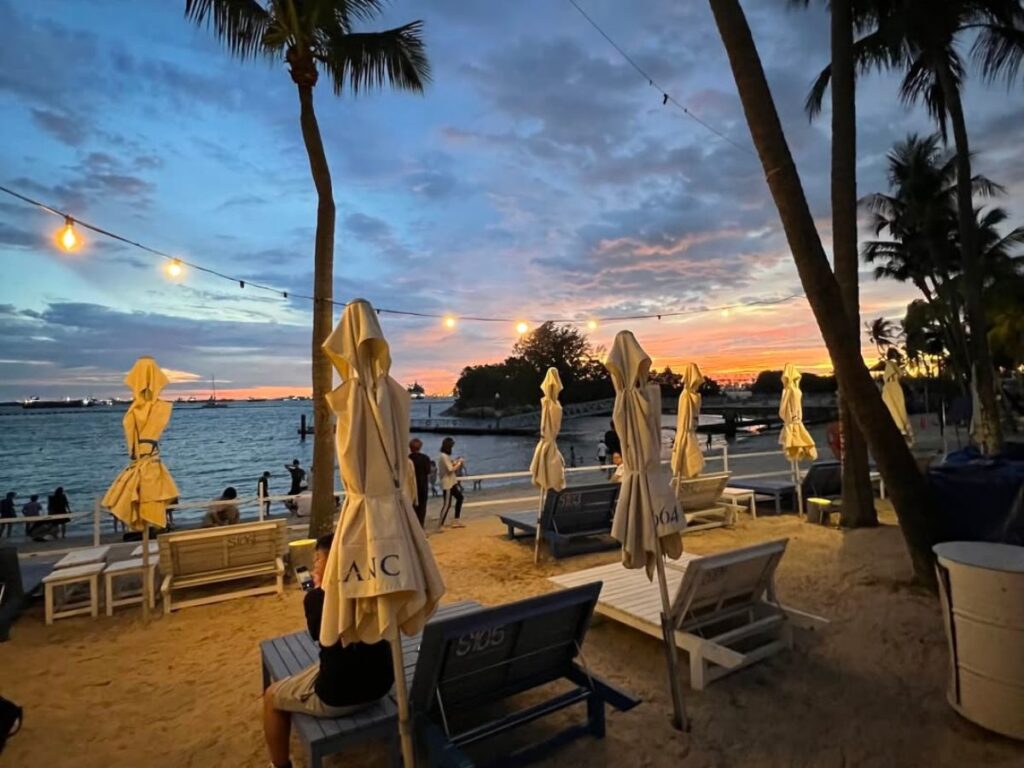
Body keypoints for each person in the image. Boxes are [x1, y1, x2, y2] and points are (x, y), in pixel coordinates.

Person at [263, 533, 393, 768]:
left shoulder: (318, 598)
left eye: (318, 561)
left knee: (271, 697)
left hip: (338, 697)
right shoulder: (376, 586)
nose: (315, 566)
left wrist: (317, 592)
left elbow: (318, 635)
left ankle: (279, 765)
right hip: (381, 684)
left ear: (331, 564)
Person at [437, 437, 465, 528]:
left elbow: (449, 465)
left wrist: (455, 462)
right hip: (447, 483)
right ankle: (440, 524)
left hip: (451, 482)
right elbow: (450, 469)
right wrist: (459, 463)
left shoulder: (445, 456)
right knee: (447, 504)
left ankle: (456, 520)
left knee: (460, 498)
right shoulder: (444, 456)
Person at [408, 439, 431, 527]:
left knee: (412, 508)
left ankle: (413, 527)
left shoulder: (408, 458)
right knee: (422, 507)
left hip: (411, 486)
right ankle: (421, 527)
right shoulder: (425, 458)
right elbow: (428, 471)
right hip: (423, 485)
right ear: (420, 447)